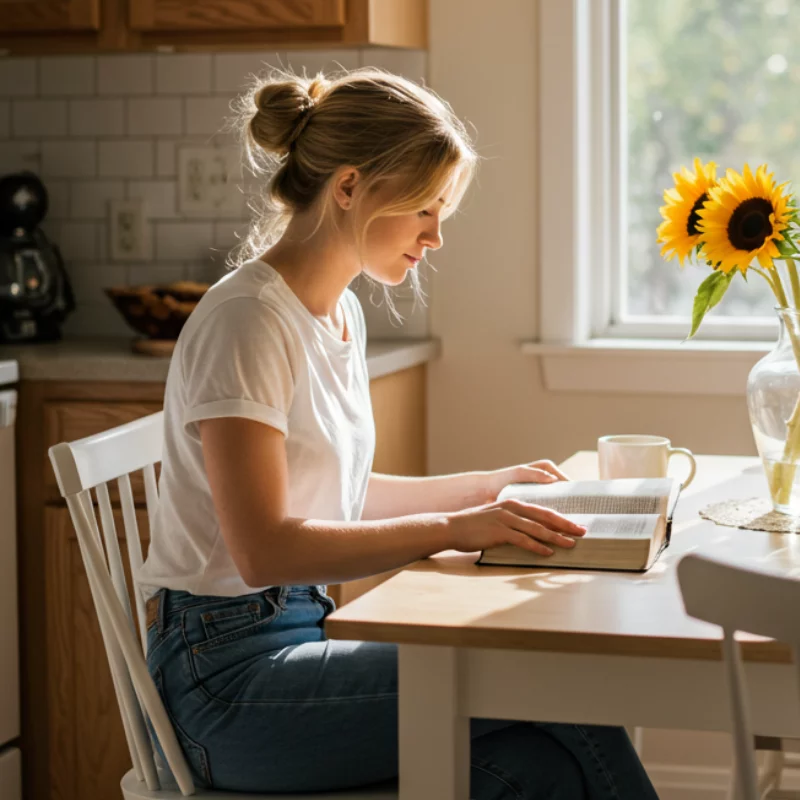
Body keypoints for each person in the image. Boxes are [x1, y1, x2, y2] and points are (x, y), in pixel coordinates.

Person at [136, 66, 659, 799]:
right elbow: (265, 549)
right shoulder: (247, 321)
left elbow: (337, 493)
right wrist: (456, 525)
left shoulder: (336, 315)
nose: (436, 237)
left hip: (301, 640)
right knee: (550, 683)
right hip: (224, 687)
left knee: (541, 770)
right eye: (424, 209)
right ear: (349, 187)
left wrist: (488, 488)